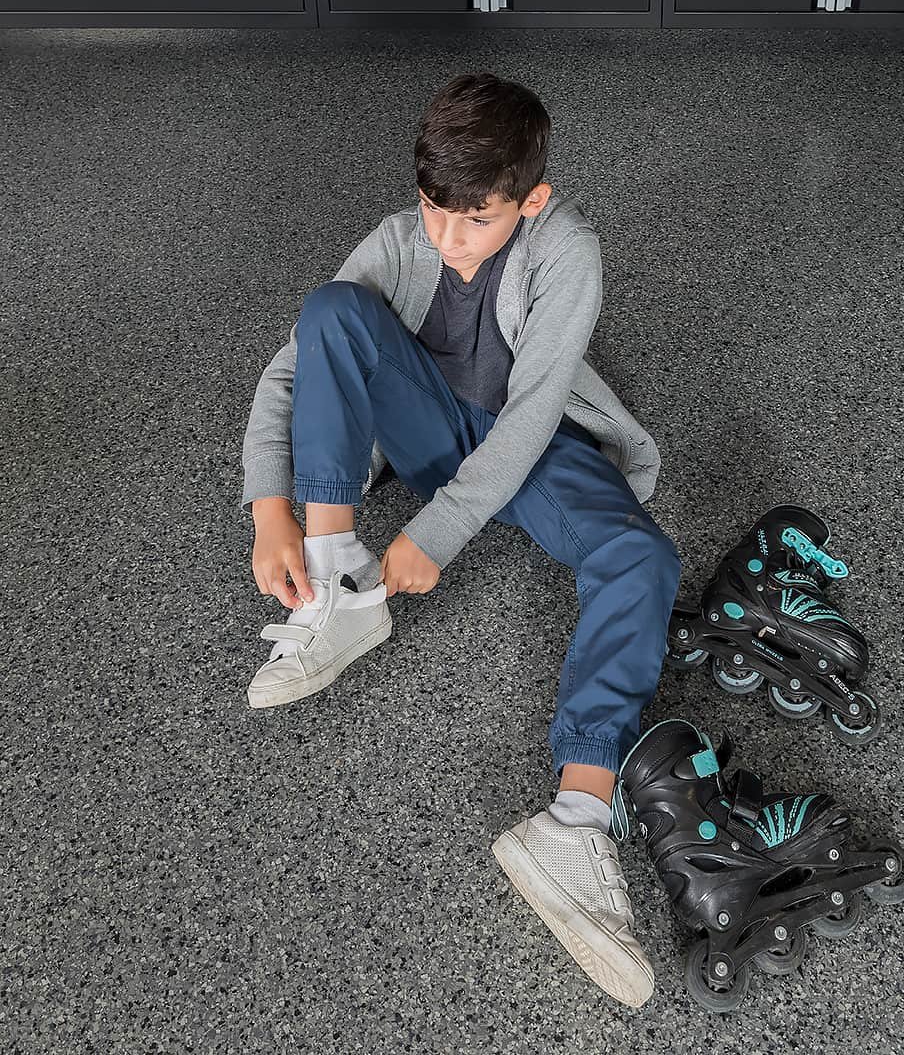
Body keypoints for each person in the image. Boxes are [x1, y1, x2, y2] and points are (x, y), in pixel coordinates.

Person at [240, 72, 681, 1008]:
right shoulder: (403, 242)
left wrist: (439, 531)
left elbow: (528, 421)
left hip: (533, 441)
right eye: (434, 212)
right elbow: (294, 369)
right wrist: (268, 506)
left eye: (476, 222)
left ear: (533, 200)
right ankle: (338, 586)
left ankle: (575, 817)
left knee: (643, 557)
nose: (448, 240)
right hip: (428, 433)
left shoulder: (569, 254)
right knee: (330, 309)